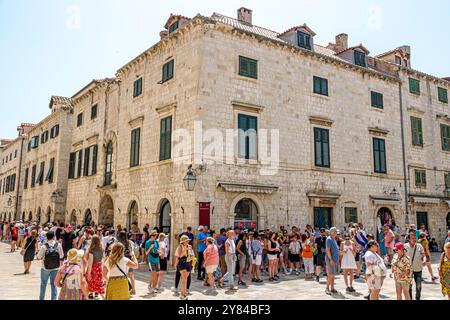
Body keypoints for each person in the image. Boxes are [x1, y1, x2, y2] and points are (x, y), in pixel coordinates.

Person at [37, 231, 64, 300]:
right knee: (54, 284)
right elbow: (62, 255)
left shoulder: (44, 246)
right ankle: (53, 298)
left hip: (45, 268)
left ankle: (41, 298)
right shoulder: (58, 245)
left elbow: (39, 257)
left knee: (43, 284)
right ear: (54, 237)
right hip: (55, 267)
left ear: (47, 237)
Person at [404, 232, 426, 300]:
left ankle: (417, 298)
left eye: (415, 238)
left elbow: (423, 255)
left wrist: (424, 260)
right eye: (412, 238)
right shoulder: (405, 246)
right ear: (409, 239)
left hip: (418, 268)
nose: (414, 239)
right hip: (408, 270)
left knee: (418, 286)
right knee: (409, 286)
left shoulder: (419, 246)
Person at [175, 235, 195, 300]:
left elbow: (193, 255)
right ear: (183, 242)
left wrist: (192, 257)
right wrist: (185, 250)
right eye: (186, 241)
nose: (188, 242)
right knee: (183, 279)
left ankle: (183, 294)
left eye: (188, 241)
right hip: (182, 263)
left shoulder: (190, 246)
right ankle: (182, 294)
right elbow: (179, 256)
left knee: (185, 279)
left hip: (188, 263)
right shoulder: (180, 247)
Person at [85, 235, 105, 299]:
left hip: (93, 268)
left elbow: (90, 262)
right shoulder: (102, 249)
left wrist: (88, 273)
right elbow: (103, 258)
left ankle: (88, 296)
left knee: (90, 283)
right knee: (99, 284)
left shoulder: (91, 250)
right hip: (99, 267)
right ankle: (104, 298)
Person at [325, 227, 340, 295]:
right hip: (330, 260)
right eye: (335, 232)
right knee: (330, 274)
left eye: (336, 232)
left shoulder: (333, 239)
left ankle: (332, 288)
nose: (336, 233)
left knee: (332, 275)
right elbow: (328, 250)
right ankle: (327, 288)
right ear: (331, 232)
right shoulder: (329, 239)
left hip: (334, 260)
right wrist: (331, 260)